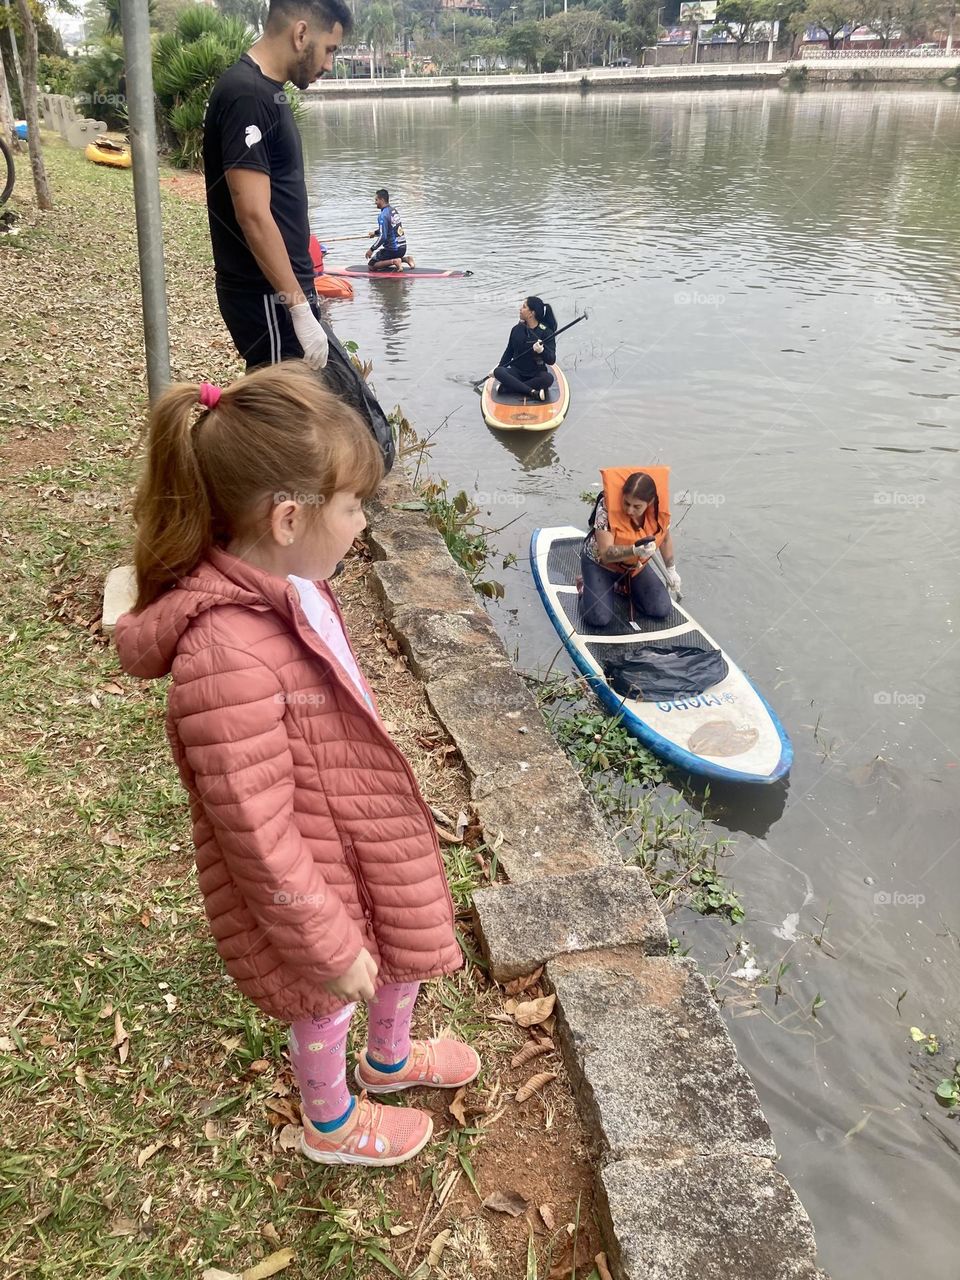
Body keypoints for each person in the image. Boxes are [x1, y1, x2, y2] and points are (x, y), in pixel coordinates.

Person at [113, 363, 479, 1168]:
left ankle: (389, 1062)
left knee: (404, 941)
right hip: (312, 865)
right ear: (288, 517)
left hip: (360, 820)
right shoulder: (226, 656)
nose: (362, 523)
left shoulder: (296, 583)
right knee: (326, 999)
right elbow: (255, 830)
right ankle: (331, 1121)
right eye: (354, 506)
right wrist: (324, 942)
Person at [203, 0, 351, 371]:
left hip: (281, 293)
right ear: (301, 34)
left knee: (300, 413)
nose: (329, 65)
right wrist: (298, 308)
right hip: (267, 296)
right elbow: (252, 213)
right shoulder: (247, 95)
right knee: (285, 419)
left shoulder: (267, 91)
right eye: (329, 50)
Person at [581, 467, 682, 629]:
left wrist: (671, 569)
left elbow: (664, 539)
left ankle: (622, 587)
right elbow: (606, 553)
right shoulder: (606, 507)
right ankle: (584, 587)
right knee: (599, 618)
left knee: (660, 609)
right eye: (626, 503)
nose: (629, 510)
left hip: (634, 567)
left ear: (649, 504)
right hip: (600, 564)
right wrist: (634, 551)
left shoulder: (658, 511)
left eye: (636, 507)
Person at [491, 297, 557, 401]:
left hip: (536, 373)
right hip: (517, 372)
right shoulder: (517, 329)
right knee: (499, 372)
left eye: (524, 307)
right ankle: (532, 392)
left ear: (532, 313)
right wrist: (498, 368)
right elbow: (509, 352)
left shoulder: (546, 332)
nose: (520, 309)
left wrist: (542, 351)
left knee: (548, 379)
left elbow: (551, 360)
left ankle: (509, 388)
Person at [365, 188, 414, 272]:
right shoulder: (393, 211)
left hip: (393, 250)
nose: (375, 202)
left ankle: (395, 261)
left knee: (371, 265)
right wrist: (375, 233)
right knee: (383, 255)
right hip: (403, 248)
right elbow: (390, 229)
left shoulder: (383, 215)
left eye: (376, 200)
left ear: (382, 200)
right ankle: (406, 259)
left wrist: (371, 249)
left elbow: (383, 237)